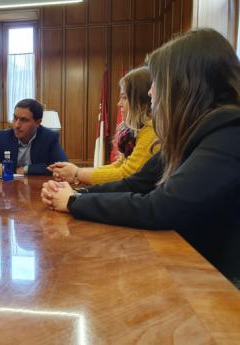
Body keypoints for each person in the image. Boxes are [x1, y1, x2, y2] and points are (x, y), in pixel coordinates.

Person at [41, 28, 240, 285]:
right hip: (193, 267)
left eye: (157, 82)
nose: (150, 93)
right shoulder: (192, 134)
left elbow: (159, 207)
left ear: (183, 84)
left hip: (221, 284)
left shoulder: (228, 134)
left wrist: (73, 203)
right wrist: (75, 195)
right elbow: (136, 183)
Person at [49, 66, 158, 185]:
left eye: (124, 98)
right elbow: (119, 166)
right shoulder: (140, 130)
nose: (119, 104)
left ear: (140, 101)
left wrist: (77, 173)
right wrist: (77, 171)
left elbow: (127, 175)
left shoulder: (152, 131)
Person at [0, 98, 68, 176]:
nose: (16, 125)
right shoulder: (2, 138)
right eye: (15, 118)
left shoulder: (49, 137)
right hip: (8, 192)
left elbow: (62, 167)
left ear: (37, 122)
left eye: (24, 120)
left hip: (38, 191)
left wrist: (26, 169)